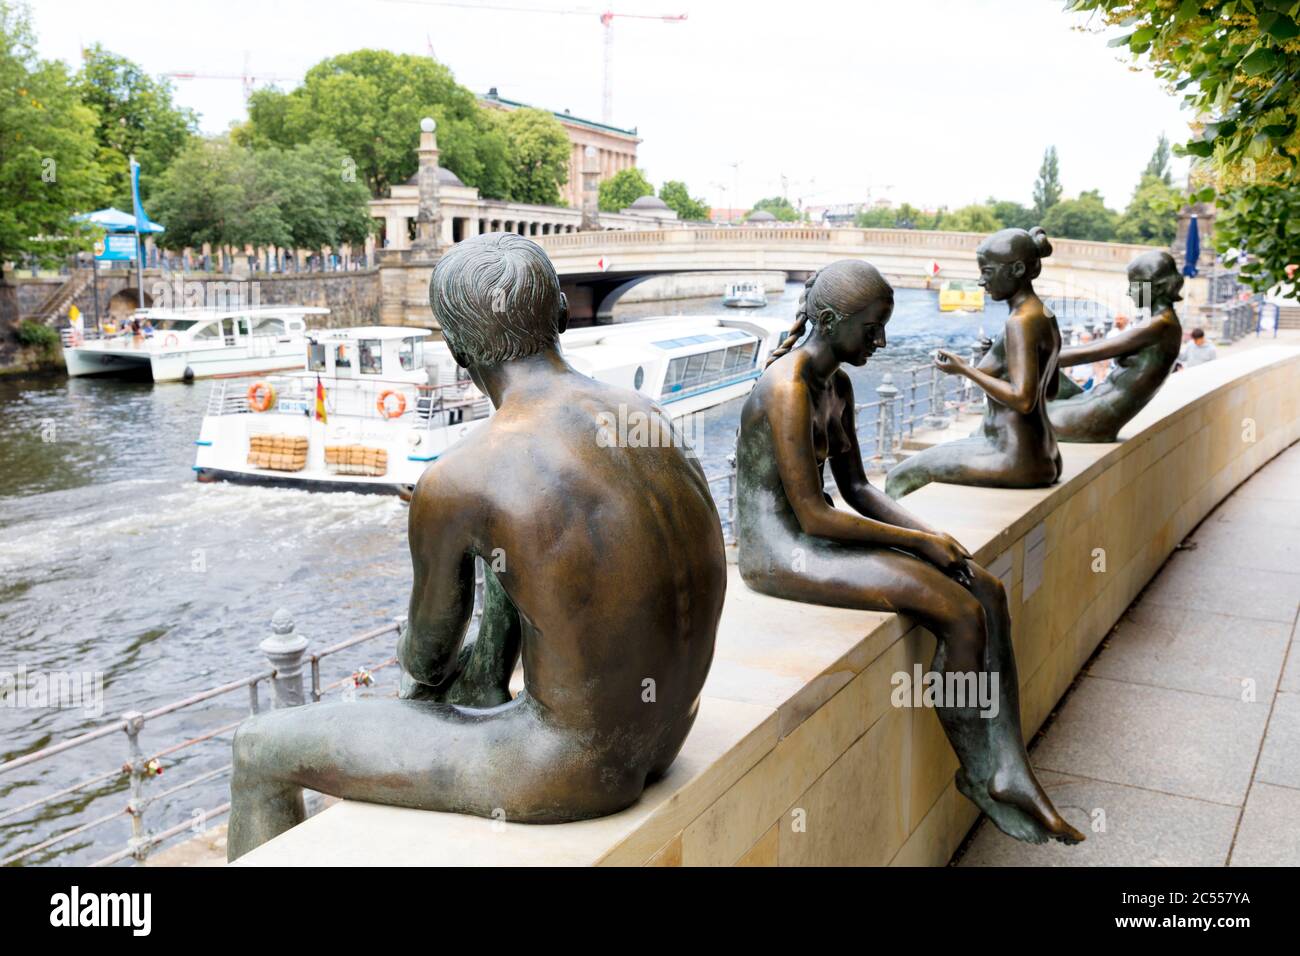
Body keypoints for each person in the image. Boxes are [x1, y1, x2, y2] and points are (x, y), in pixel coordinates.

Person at [226, 233, 727, 860]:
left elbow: (427, 661)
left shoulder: (462, 476)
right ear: (564, 316)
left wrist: (428, 642)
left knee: (258, 747)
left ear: (458, 351)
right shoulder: (647, 417)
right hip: (667, 736)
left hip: (563, 770)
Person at [736, 260, 1082, 846]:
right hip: (780, 549)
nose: (882, 341)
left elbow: (860, 490)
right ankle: (980, 770)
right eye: (872, 328)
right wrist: (920, 543)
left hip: (814, 536)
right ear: (827, 320)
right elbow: (813, 513)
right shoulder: (787, 388)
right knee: (959, 611)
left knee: (986, 589)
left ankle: (1010, 764)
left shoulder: (837, 385)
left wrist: (934, 537)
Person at [885, 227, 1062, 499]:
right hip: (1045, 451)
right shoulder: (1044, 314)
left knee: (899, 476)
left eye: (987, 272)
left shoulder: (1020, 323)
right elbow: (1049, 390)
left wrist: (964, 369)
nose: (981, 281)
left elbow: (1024, 399)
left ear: (1015, 269)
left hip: (1013, 457)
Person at [1048, 250, 1185, 442]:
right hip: (1093, 404)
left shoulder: (1160, 325)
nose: (1129, 292)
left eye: (1135, 285)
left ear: (1156, 287)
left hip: (1096, 417)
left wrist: (1033, 356)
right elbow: (1098, 346)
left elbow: (1091, 353)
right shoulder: (1159, 322)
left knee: (1016, 412)